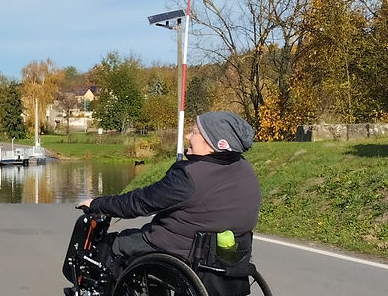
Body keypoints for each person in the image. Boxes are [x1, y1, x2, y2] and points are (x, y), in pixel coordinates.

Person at [78, 111, 261, 273]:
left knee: (116, 244)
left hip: (182, 252)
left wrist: (97, 204)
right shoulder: (245, 169)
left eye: (195, 132)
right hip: (227, 255)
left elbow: (140, 202)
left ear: (214, 144)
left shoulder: (190, 176)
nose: (188, 135)